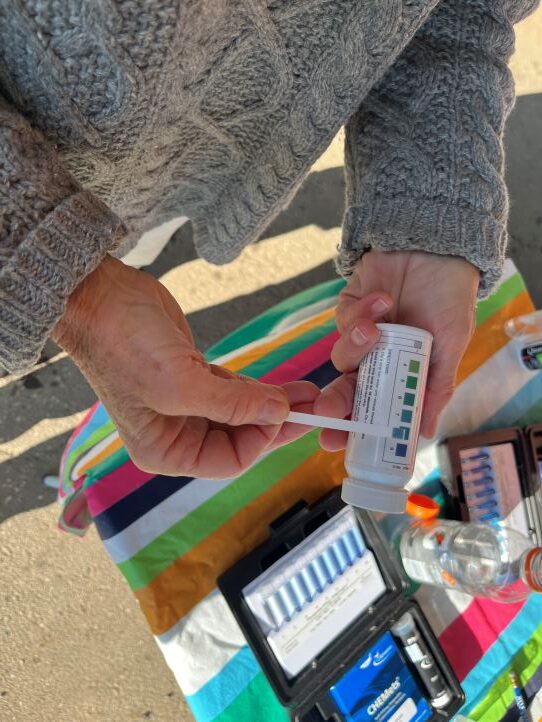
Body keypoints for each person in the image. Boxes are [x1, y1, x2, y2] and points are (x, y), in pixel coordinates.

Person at [0, 0, 538, 480]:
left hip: (144, 191)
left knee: (133, 243)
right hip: (48, 172)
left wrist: (427, 208)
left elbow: (464, 13)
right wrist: (65, 278)